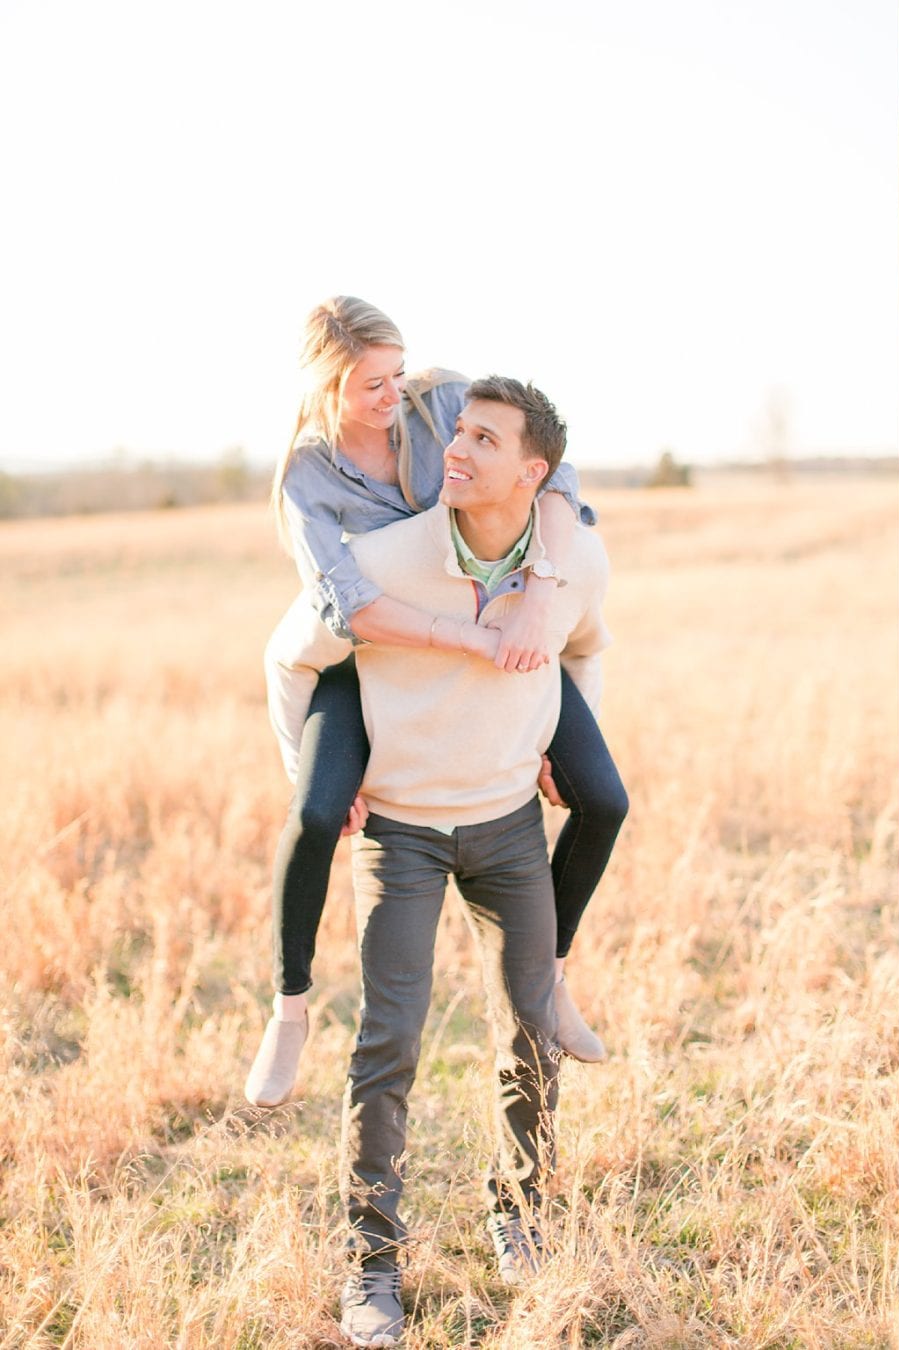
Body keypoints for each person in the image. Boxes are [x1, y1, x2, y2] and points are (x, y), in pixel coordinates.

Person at [268, 376, 607, 1345]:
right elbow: (291, 657)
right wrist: (323, 780)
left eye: (484, 439)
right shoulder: (382, 560)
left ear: (534, 473)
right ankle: (371, 1265)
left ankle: (520, 1215)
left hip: (507, 827)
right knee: (389, 1048)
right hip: (404, 834)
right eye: (457, 431)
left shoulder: (572, 558)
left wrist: (553, 736)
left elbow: (587, 646)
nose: (455, 449)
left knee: (530, 1032)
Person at [245, 297, 627, 1108]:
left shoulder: (440, 400)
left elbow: (550, 472)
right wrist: (476, 640)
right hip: (377, 657)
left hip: (498, 620)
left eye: (396, 372)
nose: (395, 397)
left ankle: (553, 977)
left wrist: (537, 593)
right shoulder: (308, 479)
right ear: (327, 387)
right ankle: (289, 1011)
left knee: (604, 798)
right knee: (315, 816)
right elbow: (348, 608)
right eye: (372, 385)